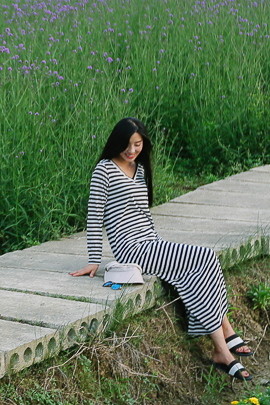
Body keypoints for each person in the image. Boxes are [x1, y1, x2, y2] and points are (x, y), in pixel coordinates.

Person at [70, 117, 253, 381]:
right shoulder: (104, 170)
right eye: (127, 145)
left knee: (205, 261)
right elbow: (94, 215)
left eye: (137, 144)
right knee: (204, 258)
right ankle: (222, 349)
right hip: (130, 249)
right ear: (116, 143)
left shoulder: (139, 169)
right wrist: (94, 259)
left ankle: (225, 332)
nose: (132, 151)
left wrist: (159, 243)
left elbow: (144, 215)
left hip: (150, 242)